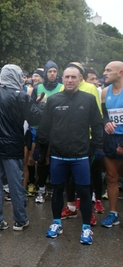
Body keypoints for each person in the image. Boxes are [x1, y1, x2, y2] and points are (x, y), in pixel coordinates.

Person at [37, 66, 103, 245]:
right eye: (66, 77)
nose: (70, 80)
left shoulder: (88, 99)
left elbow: (97, 125)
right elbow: (44, 127)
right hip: (58, 155)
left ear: (80, 79)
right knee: (57, 190)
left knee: (84, 192)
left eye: (74, 77)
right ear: (62, 78)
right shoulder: (54, 100)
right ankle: (56, 222)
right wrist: (41, 151)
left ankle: (86, 227)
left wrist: (97, 148)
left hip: (80, 155)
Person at [0, 64, 44, 233]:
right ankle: (20, 220)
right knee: (15, 184)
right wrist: (40, 105)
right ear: (16, 77)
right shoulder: (21, 96)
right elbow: (35, 118)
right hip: (13, 147)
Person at [31, 60, 64, 203]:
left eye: (54, 71)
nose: (52, 74)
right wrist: (38, 103)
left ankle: (56, 188)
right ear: (45, 73)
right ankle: (41, 188)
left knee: (56, 158)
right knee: (41, 159)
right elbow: (30, 109)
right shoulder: (37, 88)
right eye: (49, 71)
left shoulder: (62, 87)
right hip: (42, 129)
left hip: (58, 129)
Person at [100, 61, 123, 228]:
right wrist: (106, 122)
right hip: (110, 139)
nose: (105, 73)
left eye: (109, 70)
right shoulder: (105, 92)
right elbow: (104, 115)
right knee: (111, 177)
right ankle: (113, 213)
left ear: (120, 73)